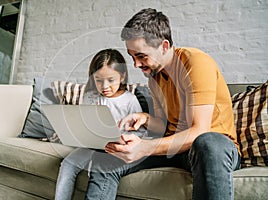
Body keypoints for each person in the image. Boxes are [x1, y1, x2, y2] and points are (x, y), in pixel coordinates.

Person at [85, 8, 241, 200]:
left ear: (164, 46)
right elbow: (164, 126)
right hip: (173, 149)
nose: (136, 65)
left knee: (208, 142)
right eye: (132, 56)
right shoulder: (154, 78)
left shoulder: (195, 62)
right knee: (106, 159)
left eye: (141, 56)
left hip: (213, 150)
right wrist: (144, 118)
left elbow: (199, 131)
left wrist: (145, 147)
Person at [54, 48, 147, 200]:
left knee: (102, 165)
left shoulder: (129, 100)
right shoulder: (90, 97)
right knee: (67, 164)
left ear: (122, 76)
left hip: (116, 149)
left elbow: (141, 132)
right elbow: (84, 122)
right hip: (92, 146)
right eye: (98, 80)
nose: (104, 86)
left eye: (111, 80)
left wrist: (123, 137)